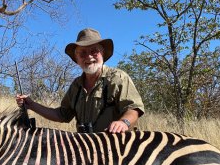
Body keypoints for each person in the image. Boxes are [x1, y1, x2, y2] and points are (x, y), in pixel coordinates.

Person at [16, 28, 144, 133]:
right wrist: (31, 104)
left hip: (117, 146)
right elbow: (61, 115)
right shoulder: (76, 86)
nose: (88, 57)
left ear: (102, 53)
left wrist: (123, 122)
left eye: (94, 51)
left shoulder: (118, 77)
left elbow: (134, 108)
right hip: (86, 147)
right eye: (82, 53)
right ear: (76, 59)